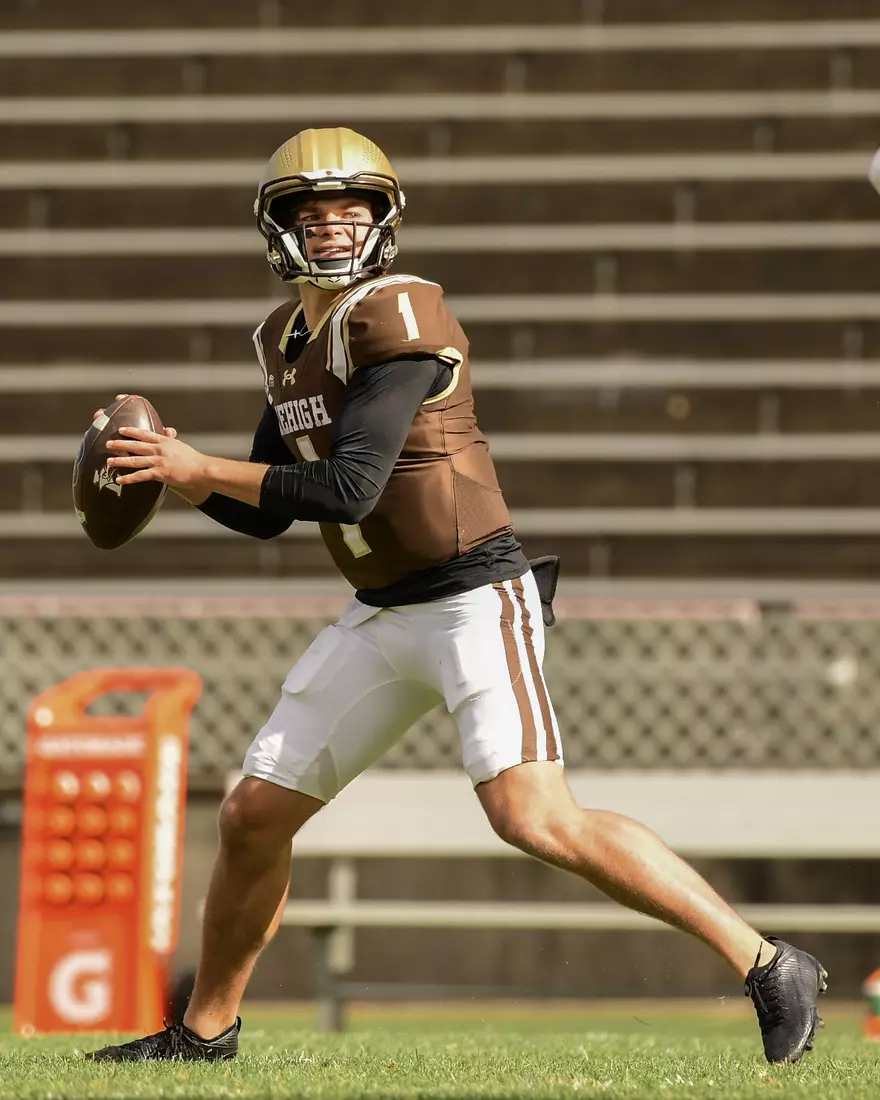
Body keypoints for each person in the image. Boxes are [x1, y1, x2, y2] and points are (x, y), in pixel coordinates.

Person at [87, 128, 826, 1065]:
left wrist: (202, 465)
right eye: (308, 214)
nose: (329, 229)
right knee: (252, 815)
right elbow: (270, 512)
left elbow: (352, 486)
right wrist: (178, 478)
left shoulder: (401, 312)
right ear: (276, 230)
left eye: (350, 209)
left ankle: (767, 963)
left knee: (534, 817)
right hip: (380, 610)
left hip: (475, 599)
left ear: (385, 221)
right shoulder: (285, 339)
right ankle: (204, 1035)